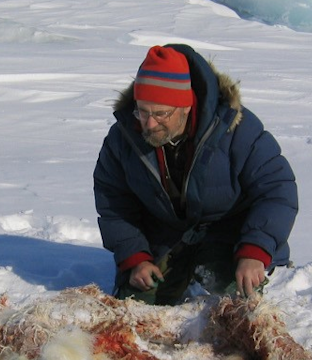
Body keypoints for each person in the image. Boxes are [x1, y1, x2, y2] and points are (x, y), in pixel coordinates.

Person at [93, 44, 298, 305]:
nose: (150, 123)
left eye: (161, 113)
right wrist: (136, 257)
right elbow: (113, 202)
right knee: (135, 308)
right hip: (166, 237)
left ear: (187, 106)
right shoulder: (122, 139)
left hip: (230, 233)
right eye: (142, 111)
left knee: (240, 304)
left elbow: (278, 190)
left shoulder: (238, 130)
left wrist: (255, 250)